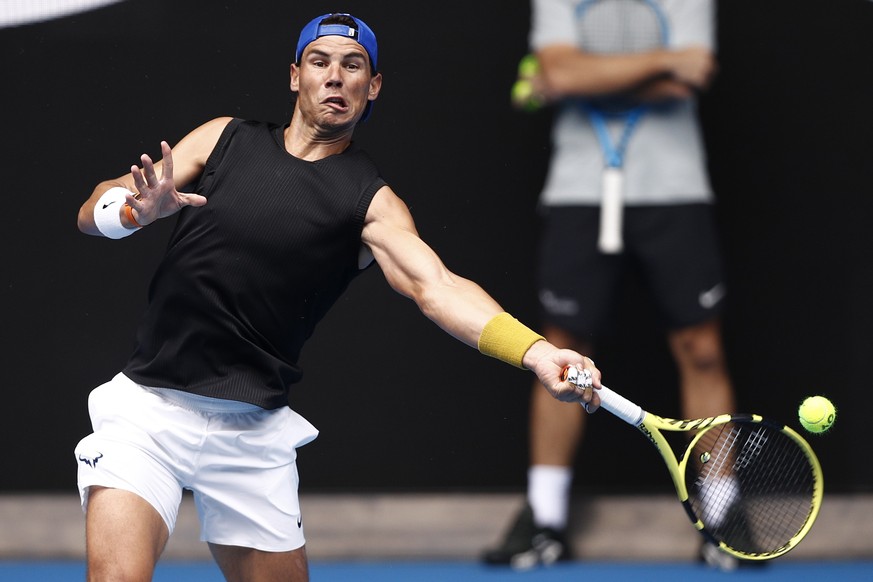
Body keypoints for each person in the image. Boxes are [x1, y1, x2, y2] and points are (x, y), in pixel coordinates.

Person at [73, 12, 602, 582]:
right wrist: (132, 211)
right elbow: (90, 211)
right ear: (295, 76)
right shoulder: (224, 138)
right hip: (148, 414)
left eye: (353, 66)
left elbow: (438, 288)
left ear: (371, 87)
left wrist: (539, 352)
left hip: (251, 438)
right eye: (320, 62)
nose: (335, 76)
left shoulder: (369, 202)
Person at [481, 0, 741, 571]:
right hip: (579, 191)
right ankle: (544, 520)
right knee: (561, 348)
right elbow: (561, 72)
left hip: (676, 190)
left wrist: (582, 77)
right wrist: (661, 65)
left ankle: (721, 516)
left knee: (701, 348)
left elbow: (690, 78)